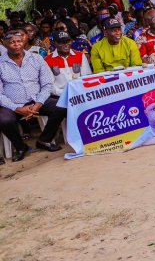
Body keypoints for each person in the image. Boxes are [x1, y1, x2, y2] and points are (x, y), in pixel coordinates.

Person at [0, 29, 68, 162]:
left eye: (19, 41)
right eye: (12, 42)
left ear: (23, 42)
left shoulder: (36, 58)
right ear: (5, 44)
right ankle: (20, 147)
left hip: (37, 99)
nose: (16, 44)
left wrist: (38, 104)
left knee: (61, 106)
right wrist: (17, 108)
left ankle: (44, 140)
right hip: (13, 104)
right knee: (4, 120)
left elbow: (47, 84)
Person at [44, 31, 92, 96]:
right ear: (54, 43)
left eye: (68, 41)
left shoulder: (80, 55)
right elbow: (50, 85)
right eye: (61, 42)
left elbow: (87, 78)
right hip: (59, 97)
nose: (66, 45)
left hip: (81, 94)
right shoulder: (47, 60)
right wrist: (65, 94)